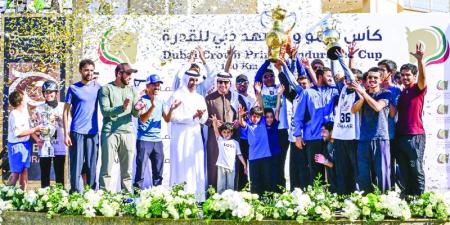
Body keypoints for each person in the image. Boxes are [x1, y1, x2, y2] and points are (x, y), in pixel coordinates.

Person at [293, 67, 340, 185]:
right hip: (313, 138)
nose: (331, 78)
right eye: (328, 76)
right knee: (315, 172)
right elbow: (298, 116)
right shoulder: (307, 92)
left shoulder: (334, 91)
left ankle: (334, 195)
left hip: (331, 138)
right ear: (320, 76)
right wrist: (298, 135)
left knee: (333, 167)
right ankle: (317, 198)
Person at [134, 74, 181, 189]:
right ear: (148, 86)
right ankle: (136, 199)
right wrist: (152, 107)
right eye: (155, 85)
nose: (157, 87)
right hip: (144, 140)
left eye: (158, 85)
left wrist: (171, 109)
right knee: (140, 172)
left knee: (158, 173)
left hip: (158, 141)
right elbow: (143, 120)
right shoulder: (141, 101)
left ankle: (157, 196)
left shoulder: (161, 101)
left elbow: (167, 119)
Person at [99, 63, 140, 192]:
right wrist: (122, 107)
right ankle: (103, 198)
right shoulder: (106, 89)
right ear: (119, 74)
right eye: (128, 74)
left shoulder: (132, 90)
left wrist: (137, 109)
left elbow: (135, 114)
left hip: (128, 132)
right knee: (106, 168)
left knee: (127, 170)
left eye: (131, 74)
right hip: (110, 132)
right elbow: (105, 111)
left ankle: (126, 198)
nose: (130, 77)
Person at [168, 69, 208, 202]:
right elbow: (172, 117)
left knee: (196, 165)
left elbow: (205, 118)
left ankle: (198, 200)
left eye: (196, 80)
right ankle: (179, 200)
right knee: (181, 165)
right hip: (181, 136)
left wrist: (200, 116)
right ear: (186, 79)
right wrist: (192, 116)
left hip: (195, 135)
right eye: (191, 80)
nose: (194, 83)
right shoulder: (177, 95)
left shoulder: (200, 97)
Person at [351, 67, 391, 193]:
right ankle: (365, 203)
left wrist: (363, 94)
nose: (372, 80)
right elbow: (353, 110)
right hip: (363, 139)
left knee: (382, 173)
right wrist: (362, 97)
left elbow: (378, 107)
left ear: (381, 80)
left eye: (375, 78)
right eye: (369, 77)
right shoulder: (362, 94)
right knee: (363, 173)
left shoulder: (386, 93)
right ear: (366, 80)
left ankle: (385, 201)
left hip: (380, 138)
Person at [63, 59, 101, 193]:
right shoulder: (73, 88)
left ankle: (91, 194)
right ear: (80, 71)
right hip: (76, 132)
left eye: (91, 70)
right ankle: (74, 193)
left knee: (91, 165)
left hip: (93, 132)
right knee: (76, 165)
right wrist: (66, 134)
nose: (89, 73)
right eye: (86, 70)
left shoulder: (98, 88)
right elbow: (66, 111)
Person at [395, 43, 427, 196]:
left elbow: (423, 78)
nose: (405, 77)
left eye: (408, 75)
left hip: (415, 136)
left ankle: (420, 200)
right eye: (403, 75)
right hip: (400, 136)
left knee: (416, 169)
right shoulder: (402, 92)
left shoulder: (418, 89)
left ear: (414, 76)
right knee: (404, 170)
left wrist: (420, 60)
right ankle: (408, 198)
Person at [205, 71, 239, 190]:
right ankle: (213, 196)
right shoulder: (209, 99)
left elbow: (241, 114)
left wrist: (238, 121)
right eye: (220, 82)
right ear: (216, 83)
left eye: (226, 82)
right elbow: (204, 118)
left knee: (232, 166)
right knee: (214, 165)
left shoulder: (235, 97)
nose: (223, 85)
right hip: (215, 139)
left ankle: (232, 196)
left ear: (230, 83)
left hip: (232, 139)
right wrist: (213, 122)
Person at [239, 83, 273, 196]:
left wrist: (258, 92)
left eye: (257, 116)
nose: (255, 118)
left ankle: (267, 201)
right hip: (253, 157)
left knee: (267, 180)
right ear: (250, 116)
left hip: (266, 156)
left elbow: (262, 107)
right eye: (253, 116)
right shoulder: (248, 125)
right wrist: (240, 116)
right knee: (255, 182)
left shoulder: (263, 122)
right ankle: (255, 201)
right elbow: (242, 123)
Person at [7, 90, 43, 190]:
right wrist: (36, 129)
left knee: (24, 170)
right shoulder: (14, 114)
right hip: (16, 146)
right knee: (15, 173)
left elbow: (28, 129)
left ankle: (22, 195)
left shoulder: (24, 111)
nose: (26, 99)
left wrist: (37, 139)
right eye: (24, 98)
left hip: (26, 144)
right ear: (19, 102)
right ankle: (5, 195)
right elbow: (19, 133)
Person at [33, 80, 66, 188]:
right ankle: (44, 196)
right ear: (43, 94)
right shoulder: (39, 108)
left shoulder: (63, 106)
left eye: (51, 92)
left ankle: (61, 196)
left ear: (56, 93)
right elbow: (34, 127)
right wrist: (37, 137)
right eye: (46, 92)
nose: (49, 94)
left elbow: (67, 125)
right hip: (45, 145)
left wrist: (59, 118)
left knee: (59, 172)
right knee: (45, 173)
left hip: (59, 144)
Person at [210, 116, 246, 194]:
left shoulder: (235, 143)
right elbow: (215, 130)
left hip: (231, 167)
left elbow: (239, 154)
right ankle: (220, 201)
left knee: (230, 187)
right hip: (222, 165)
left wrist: (244, 164)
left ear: (232, 133)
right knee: (221, 187)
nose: (226, 134)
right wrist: (214, 122)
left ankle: (230, 202)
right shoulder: (220, 140)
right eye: (224, 132)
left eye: (228, 132)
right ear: (222, 133)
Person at [235, 74, 255, 190]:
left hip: (251, 137)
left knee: (253, 165)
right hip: (240, 138)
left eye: (244, 82)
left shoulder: (253, 99)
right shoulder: (234, 98)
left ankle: (254, 189)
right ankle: (242, 190)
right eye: (239, 82)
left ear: (248, 83)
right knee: (242, 166)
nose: (242, 84)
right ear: (235, 85)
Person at [315, 122, 336, 193]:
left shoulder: (339, 145)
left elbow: (340, 166)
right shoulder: (325, 145)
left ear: (332, 132)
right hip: (331, 184)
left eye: (324, 132)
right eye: (321, 132)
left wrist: (325, 161)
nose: (321, 134)